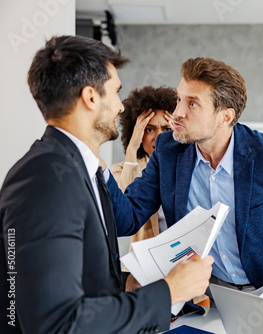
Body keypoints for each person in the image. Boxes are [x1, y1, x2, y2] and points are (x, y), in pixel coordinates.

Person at [0, 35, 213, 334]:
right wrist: (168, 292)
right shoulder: (45, 178)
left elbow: (79, 277)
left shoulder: (78, 168)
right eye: (115, 93)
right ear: (90, 97)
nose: (121, 107)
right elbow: (56, 322)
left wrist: (127, 283)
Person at [106, 57, 263, 309]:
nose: (178, 112)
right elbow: (128, 219)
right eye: (180, 99)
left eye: (192, 103)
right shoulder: (168, 150)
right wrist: (96, 161)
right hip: (214, 297)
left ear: (225, 116)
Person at [111, 86, 176, 291]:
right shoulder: (121, 170)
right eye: (150, 129)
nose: (159, 137)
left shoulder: (185, 168)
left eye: (166, 129)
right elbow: (122, 210)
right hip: (142, 274)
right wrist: (131, 150)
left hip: (182, 266)